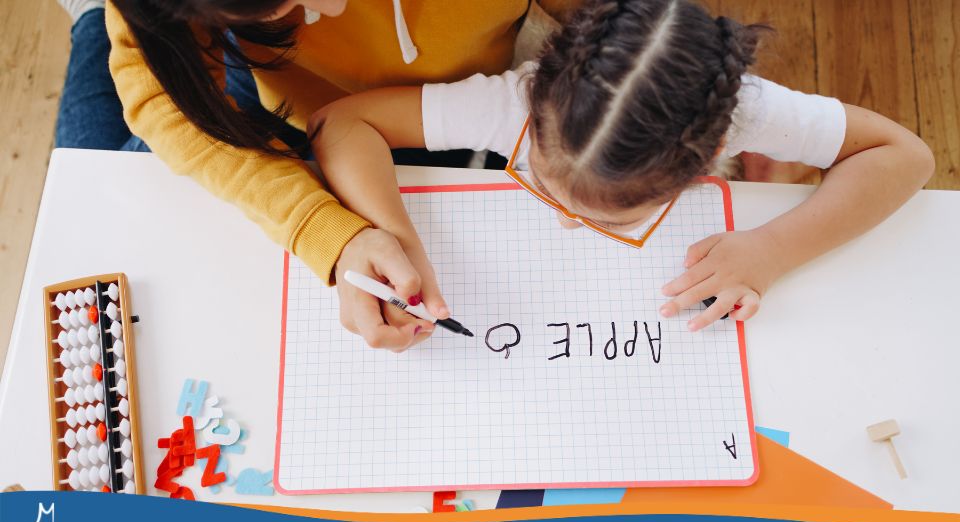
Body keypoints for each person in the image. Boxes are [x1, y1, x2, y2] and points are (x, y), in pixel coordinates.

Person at [306, 0, 935, 331]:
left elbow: (905, 156)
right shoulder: (508, 103)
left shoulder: (747, 111)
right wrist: (399, 239)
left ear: (712, 152)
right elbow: (340, 123)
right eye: (546, 184)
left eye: (607, 215)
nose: (568, 222)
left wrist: (772, 249)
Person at [55, 0, 571, 352]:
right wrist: (327, 231)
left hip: (455, 106)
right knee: (88, 195)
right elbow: (162, 95)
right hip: (283, 103)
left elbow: (595, 31)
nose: (332, 8)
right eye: (280, 8)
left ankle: (92, 19)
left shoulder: (498, 103)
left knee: (86, 176)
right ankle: (99, 18)